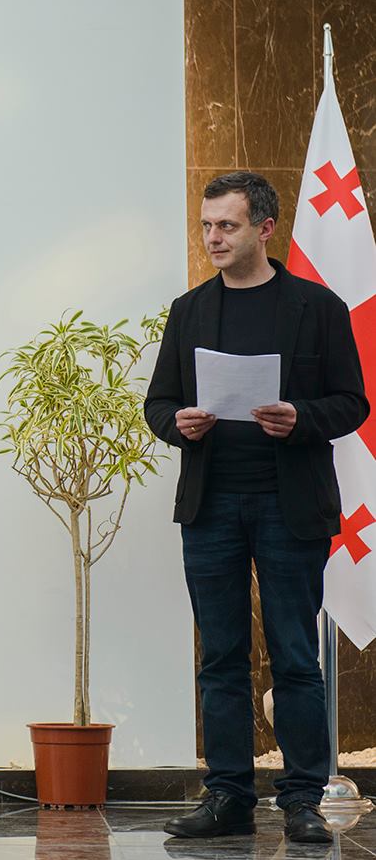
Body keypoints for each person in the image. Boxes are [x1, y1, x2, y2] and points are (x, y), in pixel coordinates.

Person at [145, 171, 368, 844]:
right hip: (210, 506)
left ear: (265, 228)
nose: (213, 237)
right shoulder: (189, 310)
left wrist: (300, 417)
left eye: (227, 225)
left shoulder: (317, 307)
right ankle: (229, 797)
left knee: (295, 656)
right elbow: (158, 403)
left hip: (288, 506)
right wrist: (177, 423)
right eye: (207, 225)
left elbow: (352, 403)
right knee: (220, 657)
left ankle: (302, 801)